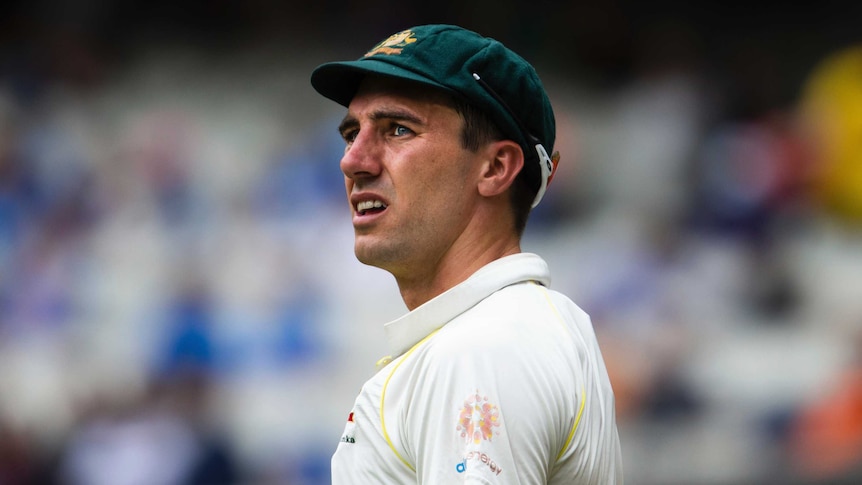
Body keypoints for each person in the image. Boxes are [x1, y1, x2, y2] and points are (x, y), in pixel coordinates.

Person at [310, 24, 623, 484]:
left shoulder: (481, 348)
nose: (353, 161)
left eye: (398, 129)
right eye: (351, 132)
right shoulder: (511, 329)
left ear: (496, 168)